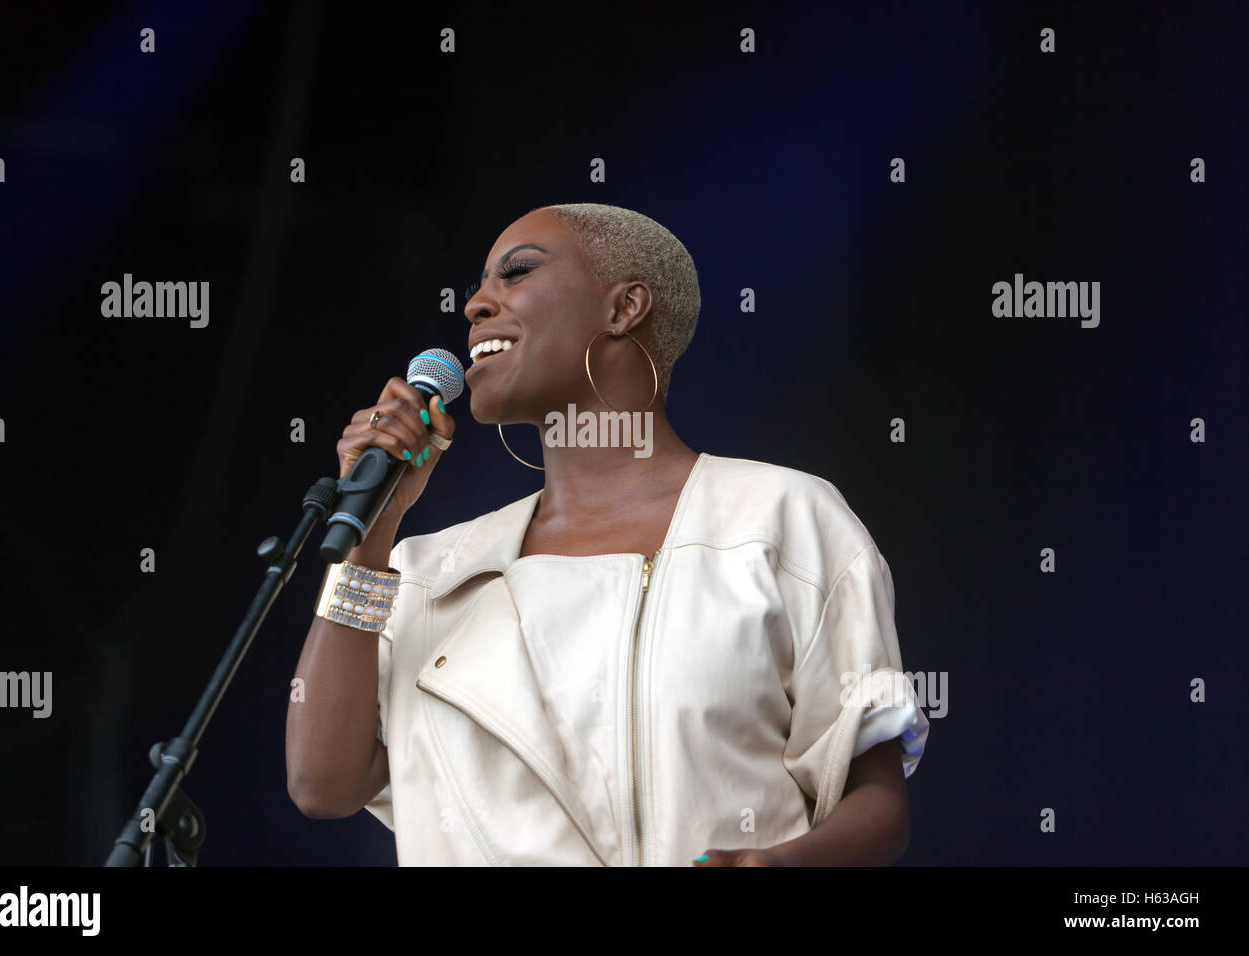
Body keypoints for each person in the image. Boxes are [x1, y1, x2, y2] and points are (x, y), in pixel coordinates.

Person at [285, 202, 929, 866]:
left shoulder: (778, 517)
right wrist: (375, 531)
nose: (476, 303)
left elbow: (876, 802)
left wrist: (774, 864)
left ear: (624, 309)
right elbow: (322, 784)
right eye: (478, 284)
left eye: (517, 273)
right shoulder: (425, 570)